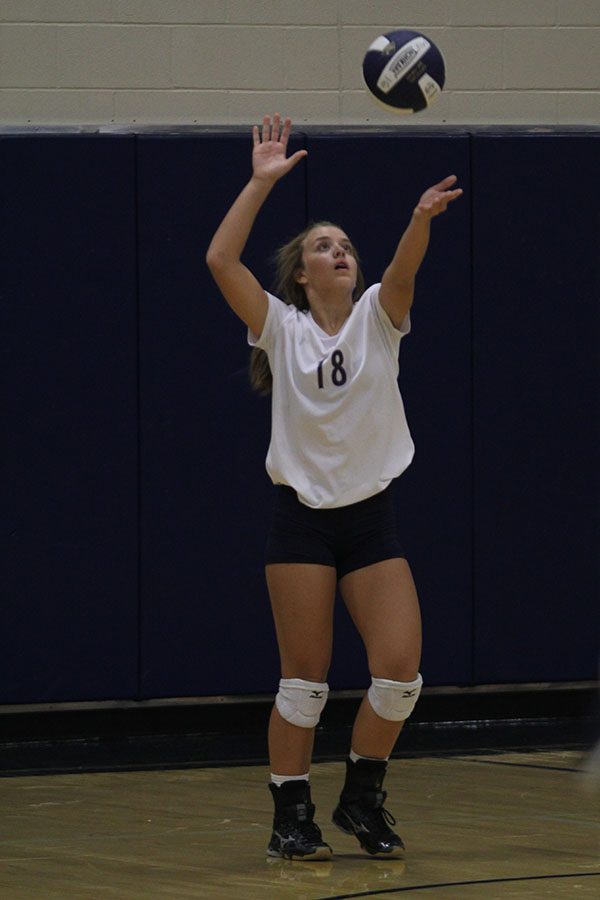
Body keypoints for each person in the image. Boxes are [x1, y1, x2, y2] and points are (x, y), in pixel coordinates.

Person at [206, 114, 462, 861]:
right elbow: (220, 260)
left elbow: (406, 273)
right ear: (300, 274)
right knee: (305, 687)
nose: (340, 252)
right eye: (325, 246)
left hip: (370, 520)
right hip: (303, 524)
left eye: (346, 244)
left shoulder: (379, 318)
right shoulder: (280, 328)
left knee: (400, 675)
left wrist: (418, 220)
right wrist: (260, 184)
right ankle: (291, 815)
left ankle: (361, 795)